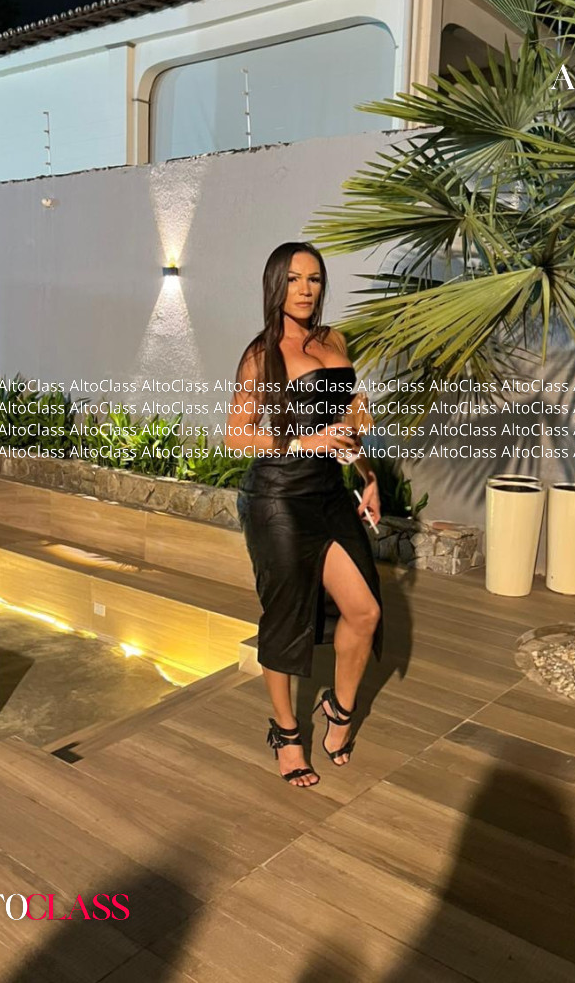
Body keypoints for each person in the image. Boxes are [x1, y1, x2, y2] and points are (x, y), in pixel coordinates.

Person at [225, 241, 384, 788]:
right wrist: (304, 440)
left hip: (329, 493)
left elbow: (346, 419)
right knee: (287, 618)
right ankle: (287, 733)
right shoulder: (261, 354)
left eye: (314, 278)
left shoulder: (333, 340)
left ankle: (338, 711)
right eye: (293, 279)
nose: (305, 289)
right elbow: (236, 435)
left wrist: (366, 474)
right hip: (279, 498)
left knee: (364, 610)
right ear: (276, 285)